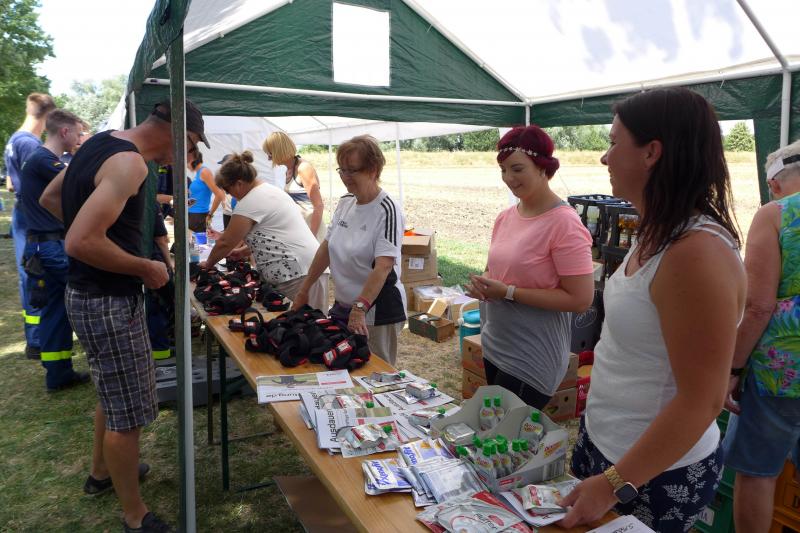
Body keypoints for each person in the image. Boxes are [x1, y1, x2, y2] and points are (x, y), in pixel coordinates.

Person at [559, 88, 746, 532]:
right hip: (609, 449)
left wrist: (613, 484)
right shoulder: (658, 231)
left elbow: (702, 400)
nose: (604, 158)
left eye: (613, 142)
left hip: (653, 474)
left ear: (651, 153)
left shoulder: (695, 253)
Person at [40, 99, 209, 533]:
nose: (186, 156)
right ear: (182, 135)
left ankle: (102, 472)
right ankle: (136, 516)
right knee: (128, 415)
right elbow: (79, 242)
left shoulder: (99, 142)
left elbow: (52, 197)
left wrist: (102, 237)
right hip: (109, 300)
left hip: (87, 294)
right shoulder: (130, 164)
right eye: (190, 147)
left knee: (112, 393)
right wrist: (142, 266)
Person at [465, 126, 594, 409]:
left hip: (531, 358)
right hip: (495, 346)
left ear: (542, 167)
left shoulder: (564, 223)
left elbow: (581, 299)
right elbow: (493, 269)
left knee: (505, 433)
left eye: (517, 169)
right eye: (503, 170)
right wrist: (484, 284)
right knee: (493, 429)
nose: (508, 178)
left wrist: (508, 292)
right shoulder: (506, 217)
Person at [722, 140, 800, 533]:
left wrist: (733, 369)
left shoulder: (776, 214)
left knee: (757, 471)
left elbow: (758, 307)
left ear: (774, 183)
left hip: (781, 373)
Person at [292, 135, 406, 365]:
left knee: (376, 373)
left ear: (373, 170)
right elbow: (327, 248)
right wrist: (304, 290)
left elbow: (383, 266)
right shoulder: (346, 202)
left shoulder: (387, 209)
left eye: (352, 170)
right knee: (340, 365)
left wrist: (360, 308)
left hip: (376, 311)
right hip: (344, 306)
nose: (345, 177)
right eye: (341, 170)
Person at [200, 151, 328, 311]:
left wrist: (208, 264)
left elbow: (225, 243)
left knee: (307, 321)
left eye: (227, 189)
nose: (228, 194)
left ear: (239, 184)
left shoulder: (250, 201)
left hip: (301, 273)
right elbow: (273, 233)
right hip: (303, 270)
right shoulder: (268, 191)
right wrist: (243, 252)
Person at [19, 109, 91, 391]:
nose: (79, 139)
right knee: (85, 297)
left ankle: (59, 374)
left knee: (56, 310)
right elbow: (81, 182)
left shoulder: (41, 159)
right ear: (64, 132)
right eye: (78, 133)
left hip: (43, 246)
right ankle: (91, 361)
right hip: (49, 246)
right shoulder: (45, 160)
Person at [4, 92, 56, 359]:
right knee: (36, 274)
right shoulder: (31, 144)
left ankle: (34, 338)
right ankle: (37, 341)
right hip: (32, 215)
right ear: (47, 116)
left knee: (30, 273)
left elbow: (10, 184)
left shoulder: (14, 140)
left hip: (21, 212)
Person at [263, 131, 326, 241]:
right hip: (300, 230)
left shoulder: (303, 168)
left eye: (270, 154)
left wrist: (311, 236)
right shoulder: (288, 170)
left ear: (279, 151)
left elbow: (318, 205)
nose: (269, 158)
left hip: (311, 232)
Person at [187, 152, 224, 233]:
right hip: (193, 215)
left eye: (187, 162)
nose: (186, 166)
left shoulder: (204, 172)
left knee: (198, 240)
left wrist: (210, 214)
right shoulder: (198, 173)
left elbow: (219, 195)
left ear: (192, 161)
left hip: (199, 216)